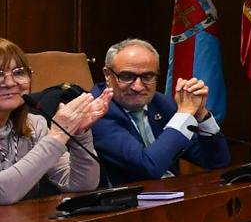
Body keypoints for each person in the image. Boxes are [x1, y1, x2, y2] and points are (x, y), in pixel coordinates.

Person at [91, 38, 229, 185]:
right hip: (128, 204)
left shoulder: (163, 104)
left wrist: (201, 114)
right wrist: (184, 114)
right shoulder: (96, 112)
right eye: (126, 77)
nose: (137, 87)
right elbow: (147, 167)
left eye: (147, 77)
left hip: (172, 196)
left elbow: (217, 161)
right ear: (107, 74)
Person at [0, 39, 109, 203]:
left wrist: (80, 134)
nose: (10, 83)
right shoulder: (49, 134)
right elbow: (3, 194)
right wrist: (57, 137)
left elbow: (81, 184)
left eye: (18, 72)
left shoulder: (34, 125)